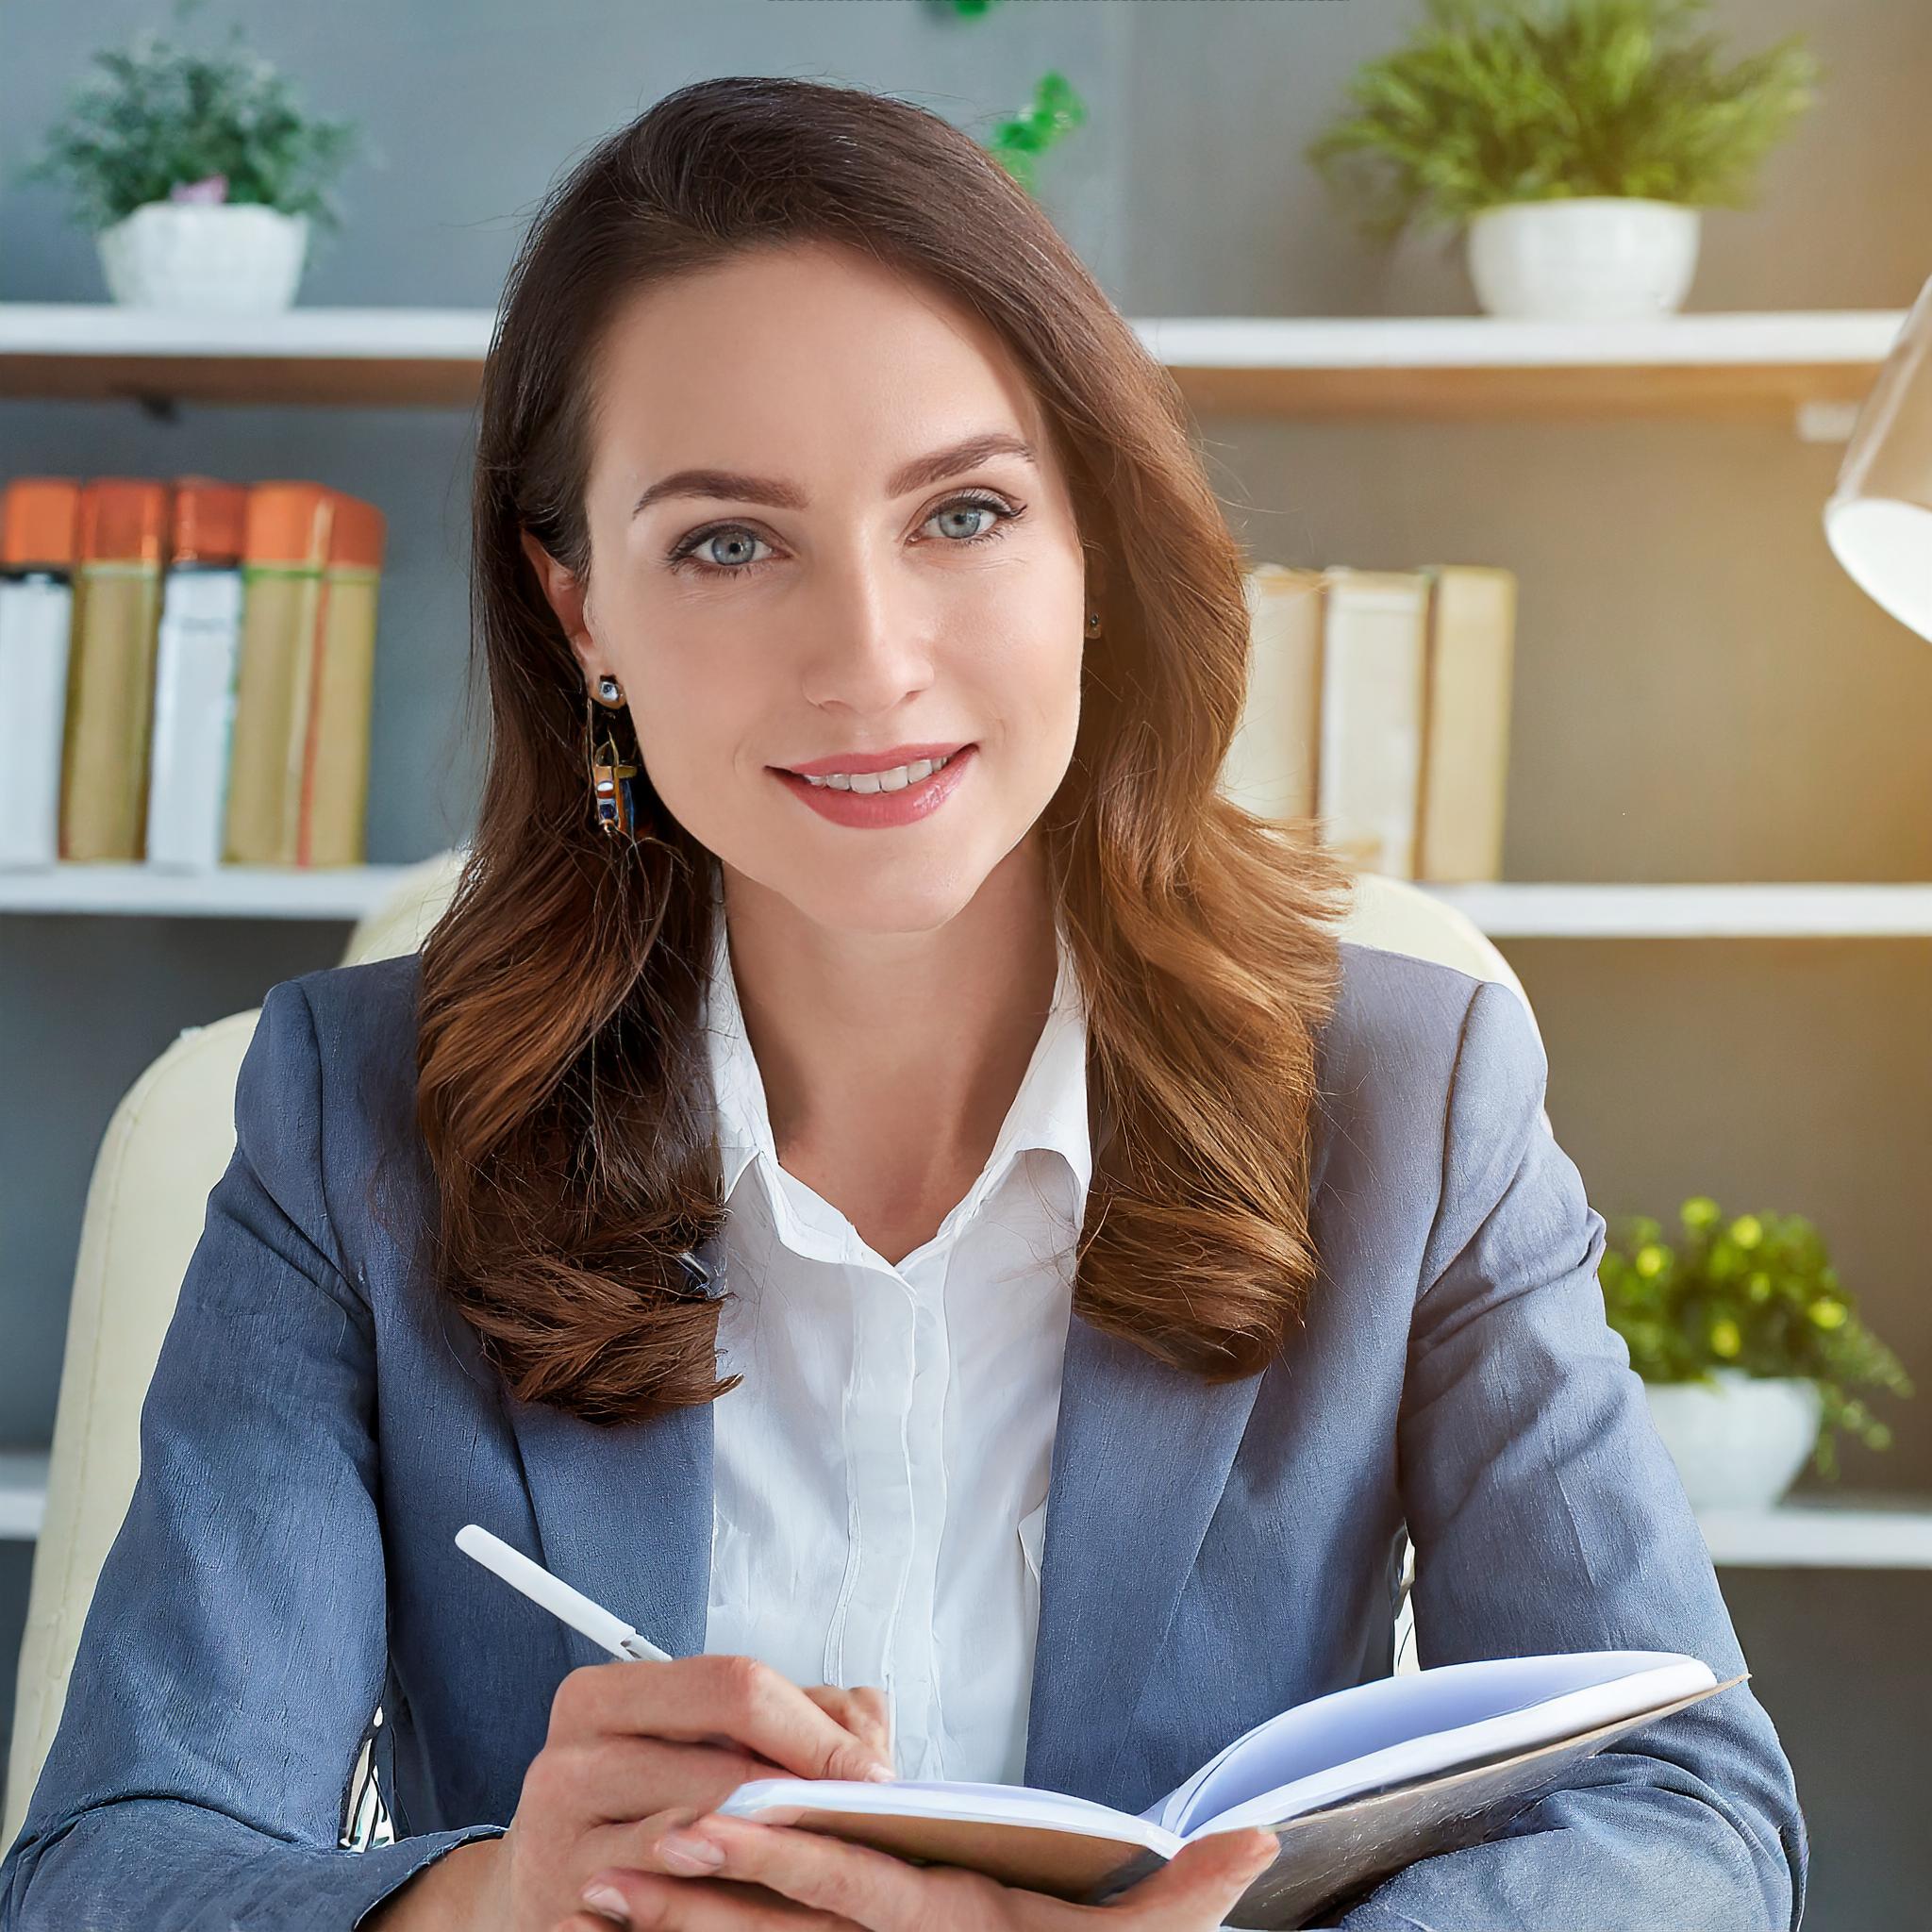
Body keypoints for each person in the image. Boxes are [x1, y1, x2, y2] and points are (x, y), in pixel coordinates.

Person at [0, 74, 1806, 1932]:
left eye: (960, 513)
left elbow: (1691, 1807)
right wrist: (498, 1909)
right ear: (578, 610)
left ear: (1091, 543)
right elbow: (112, 1867)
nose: (867, 658)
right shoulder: (355, 1116)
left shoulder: (1413, 1094)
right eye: (726, 541)